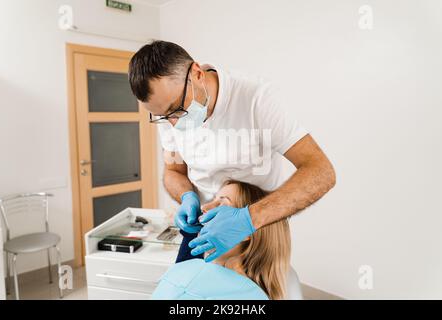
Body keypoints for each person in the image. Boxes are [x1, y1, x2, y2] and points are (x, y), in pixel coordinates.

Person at [128, 40, 336, 263]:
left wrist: (247, 220)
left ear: (197, 74)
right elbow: (174, 171)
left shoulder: (256, 99)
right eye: (161, 116)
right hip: (203, 227)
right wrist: (187, 196)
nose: (173, 123)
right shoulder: (168, 116)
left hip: (256, 231)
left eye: (176, 109)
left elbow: (321, 171)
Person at [152, 180, 291, 300]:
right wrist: (190, 234)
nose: (204, 207)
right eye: (213, 200)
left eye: (221, 204)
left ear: (245, 230)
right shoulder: (194, 270)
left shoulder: (194, 278)